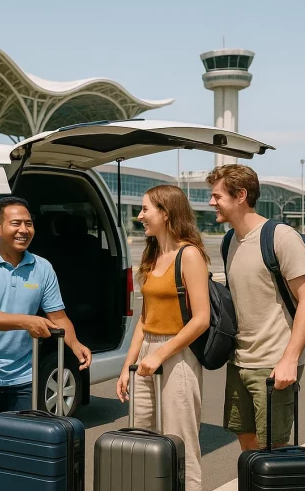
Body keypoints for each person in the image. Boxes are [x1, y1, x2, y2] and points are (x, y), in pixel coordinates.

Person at [0, 196, 92, 491]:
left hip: (21, 377)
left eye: (28, 223)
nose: (23, 229)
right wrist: (26, 321)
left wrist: (76, 343)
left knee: (19, 448)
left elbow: (58, 316)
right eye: (15, 223)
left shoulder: (41, 268)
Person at [206, 164, 305, 451]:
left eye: (217, 196)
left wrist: (289, 359)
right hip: (239, 360)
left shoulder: (280, 237)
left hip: (273, 362)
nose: (211, 202)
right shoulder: (230, 241)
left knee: (274, 450)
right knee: (247, 444)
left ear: (240, 195)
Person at [115, 184, 211, 491]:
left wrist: (161, 353)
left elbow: (201, 320)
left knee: (180, 438)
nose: (140, 216)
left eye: (146, 210)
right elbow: (145, 319)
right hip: (147, 350)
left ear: (166, 213)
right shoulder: (151, 254)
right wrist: (128, 365)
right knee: (141, 436)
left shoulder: (190, 255)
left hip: (178, 352)